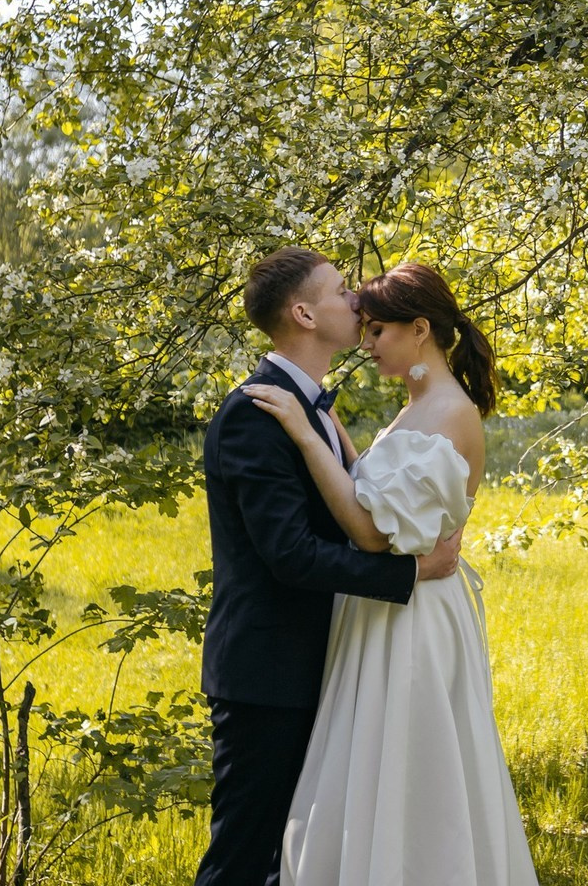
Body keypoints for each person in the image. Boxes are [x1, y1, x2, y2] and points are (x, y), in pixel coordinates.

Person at [243, 262, 539, 886]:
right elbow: (375, 488)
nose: (368, 341)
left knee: (412, 770)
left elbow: (372, 531)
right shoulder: (418, 406)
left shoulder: (448, 412)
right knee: (366, 768)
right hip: (384, 608)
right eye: (366, 327)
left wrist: (304, 435)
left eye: (379, 330)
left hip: (414, 616)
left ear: (421, 328)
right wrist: (338, 439)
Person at [194, 248, 462, 886]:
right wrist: (411, 574)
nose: (357, 302)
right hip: (268, 672)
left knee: (300, 862)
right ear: (304, 312)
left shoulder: (312, 407)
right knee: (243, 859)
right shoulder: (254, 415)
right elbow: (288, 555)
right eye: (342, 291)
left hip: (330, 662)